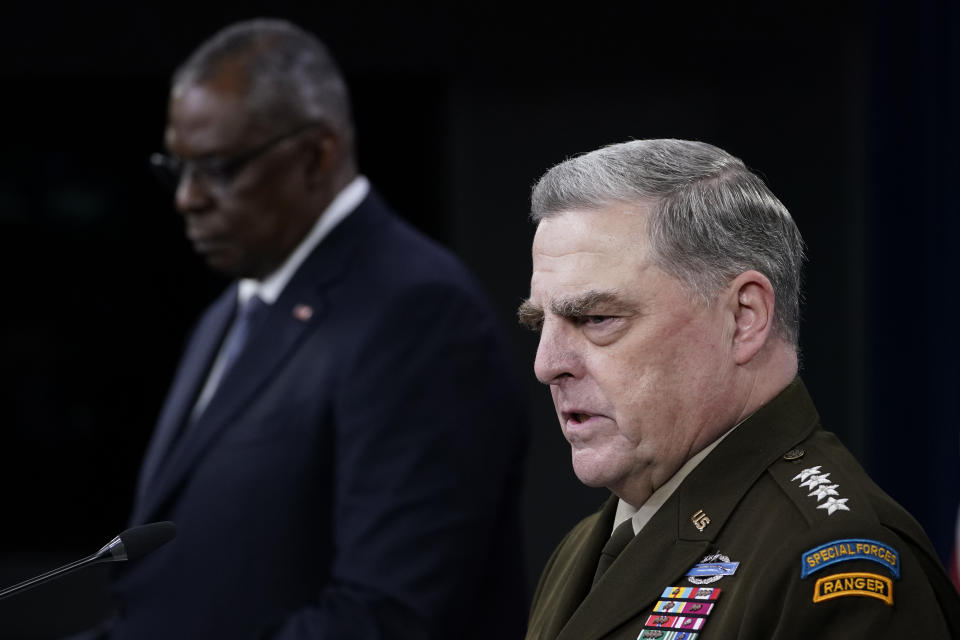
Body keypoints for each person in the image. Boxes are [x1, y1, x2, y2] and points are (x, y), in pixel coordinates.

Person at [90, 18, 528, 639]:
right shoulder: (231, 311)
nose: (187, 198)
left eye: (217, 168)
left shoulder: (417, 311)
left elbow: (387, 614)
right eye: (176, 168)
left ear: (316, 156)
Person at [518, 139, 960, 639]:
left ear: (743, 318)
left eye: (597, 318)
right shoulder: (584, 548)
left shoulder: (832, 563)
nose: (546, 365)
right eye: (540, 325)